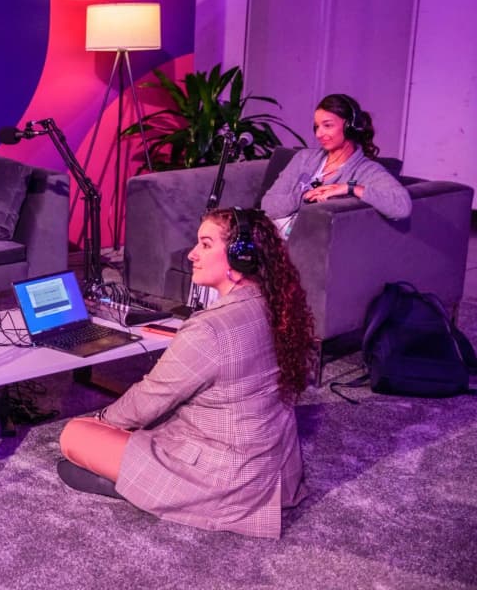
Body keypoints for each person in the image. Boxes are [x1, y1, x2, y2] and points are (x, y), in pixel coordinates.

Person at [57, 207, 315, 539]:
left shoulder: (210, 329)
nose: (192, 254)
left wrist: (102, 419)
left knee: (74, 435)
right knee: (130, 432)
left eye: (205, 245)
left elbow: (151, 396)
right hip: (273, 466)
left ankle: (147, 490)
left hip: (229, 477)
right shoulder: (275, 303)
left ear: (241, 257)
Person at [261, 93, 411, 237]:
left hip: (305, 246)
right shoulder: (303, 158)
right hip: (270, 236)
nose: (319, 134)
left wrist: (350, 187)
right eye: (316, 127)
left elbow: (401, 207)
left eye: (327, 125)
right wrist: (303, 196)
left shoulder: (367, 171)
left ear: (349, 127)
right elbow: (267, 205)